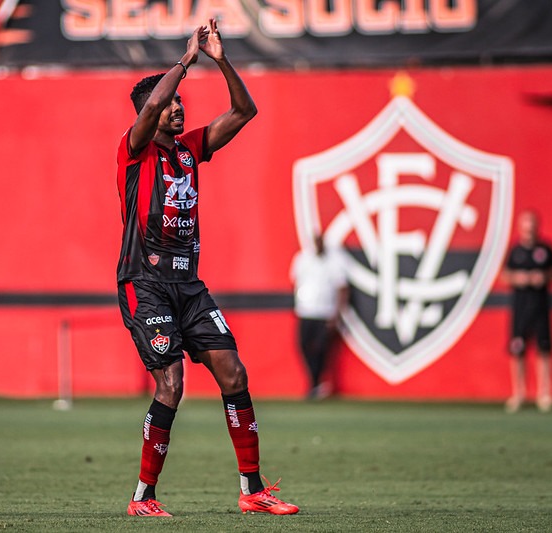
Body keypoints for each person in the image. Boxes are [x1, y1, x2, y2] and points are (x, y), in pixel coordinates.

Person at [115, 19, 298, 517]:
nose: (178, 108)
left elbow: (245, 110)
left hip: (189, 287)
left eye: (180, 103)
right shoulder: (133, 151)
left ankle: (253, 490)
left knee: (234, 373)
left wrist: (219, 58)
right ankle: (143, 498)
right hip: (145, 284)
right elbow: (152, 105)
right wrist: (185, 60)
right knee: (171, 383)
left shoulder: (190, 149)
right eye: (172, 103)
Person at [501, 210, 552, 413]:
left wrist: (542, 277)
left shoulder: (546, 249)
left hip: (541, 306)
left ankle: (544, 393)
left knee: (544, 350)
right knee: (518, 350)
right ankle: (519, 393)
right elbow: (505, 274)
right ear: (520, 227)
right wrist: (519, 278)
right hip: (520, 307)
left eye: (532, 224)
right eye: (526, 224)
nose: (529, 229)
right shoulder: (515, 251)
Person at [290, 233, 349, 400]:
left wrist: (337, 313)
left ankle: (316, 383)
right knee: (303, 345)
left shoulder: (335, 262)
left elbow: (342, 288)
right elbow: (296, 282)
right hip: (305, 310)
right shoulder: (302, 259)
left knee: (321, 348)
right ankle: (314, 382)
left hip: (325, 312)